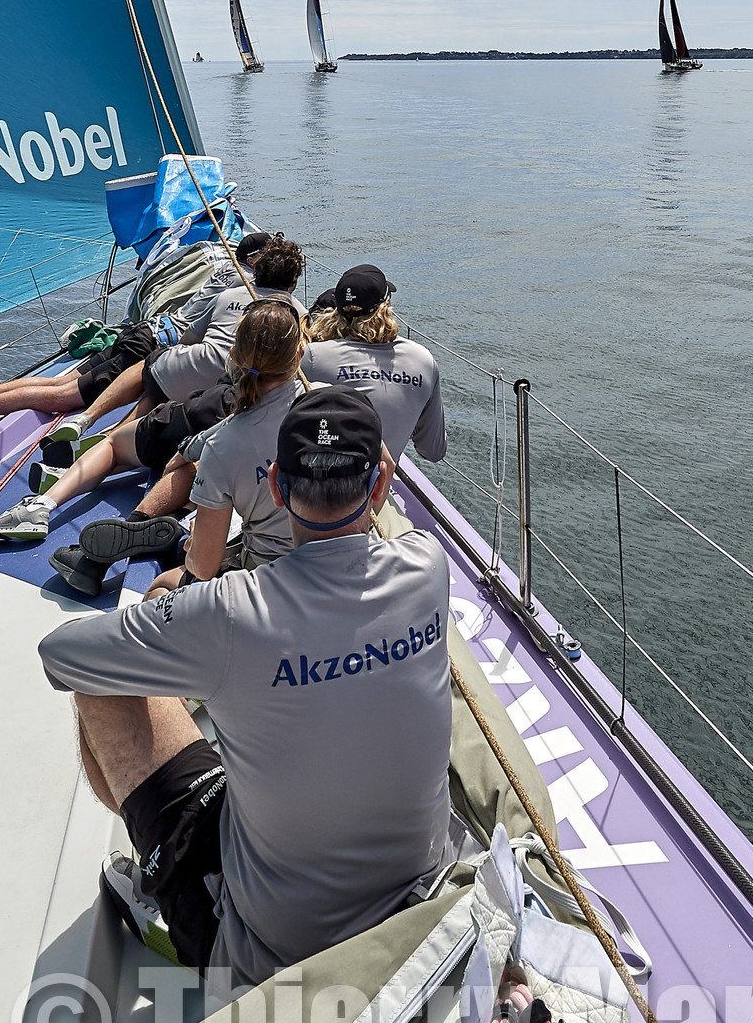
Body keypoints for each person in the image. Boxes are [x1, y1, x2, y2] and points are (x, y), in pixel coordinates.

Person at [37, 386, 453, 982]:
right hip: (415, 902)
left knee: (102, 679)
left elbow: (61, 656)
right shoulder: (427, 566)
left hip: (269, 947)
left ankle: (161, 874)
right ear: (381, 483)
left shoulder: (228, 612)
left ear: (278, 489)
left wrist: (175, 641)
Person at [0, 233, 307, 461]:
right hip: (150, 345)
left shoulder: (229, 279)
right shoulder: (263, 300)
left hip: (145, 331)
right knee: (66, 395)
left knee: (60, 385)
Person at [41, 299, 305, 585]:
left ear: (233, 354)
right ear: (300, 355)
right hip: (315, 557)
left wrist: (193, 545)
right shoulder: (326, 407)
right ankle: (160, 534)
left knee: (160, 586)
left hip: (259, 572)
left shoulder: (223, 444)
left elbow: (204, 569)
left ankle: (162, 537)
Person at [302, 264, 447, 465]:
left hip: (317, 484)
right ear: (386, 307)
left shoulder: (311, 357)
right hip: (377, 489)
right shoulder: (422, 361)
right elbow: (432, 451)